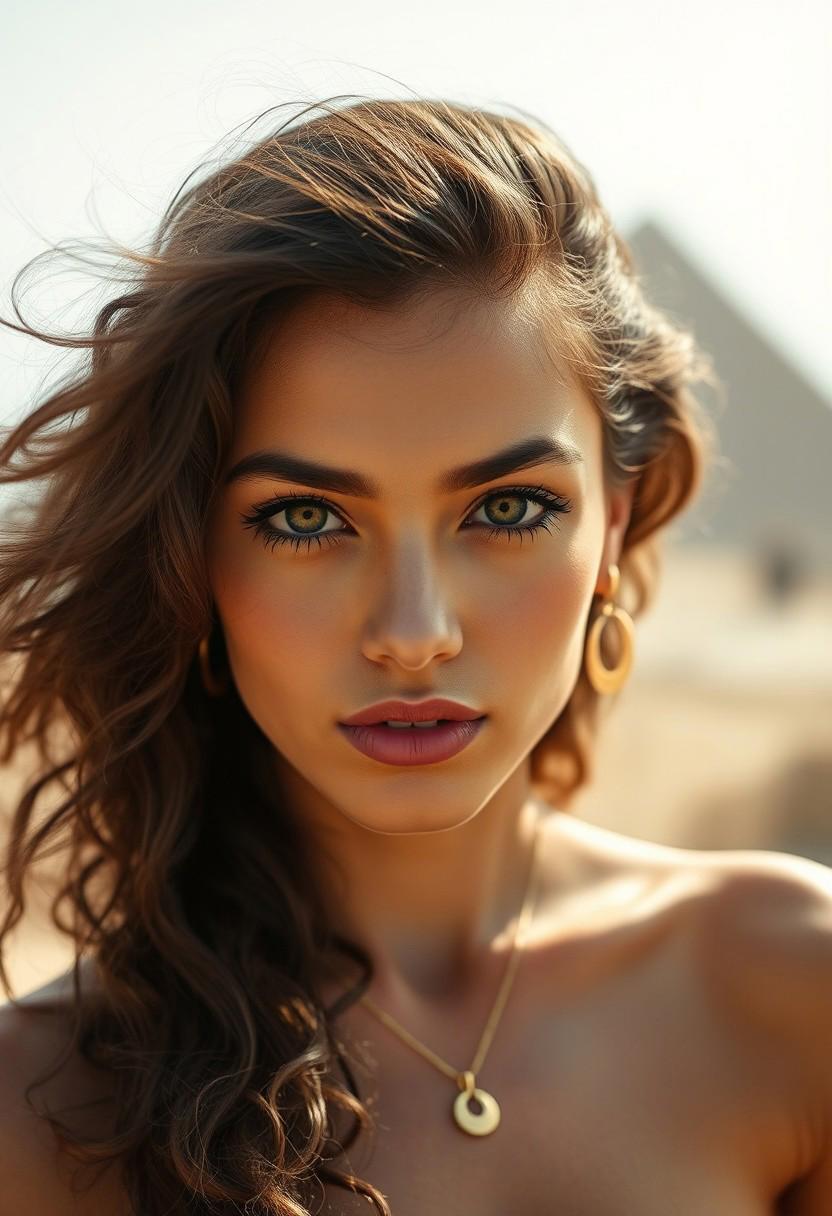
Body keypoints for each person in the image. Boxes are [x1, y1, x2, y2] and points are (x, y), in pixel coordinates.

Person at [0, 95, 829, 1216]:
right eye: (304, 519)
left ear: (616, 525)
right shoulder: (43, 1107)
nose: (412, 629)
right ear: (193, 558)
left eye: (509, 507)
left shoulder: (786, 986)